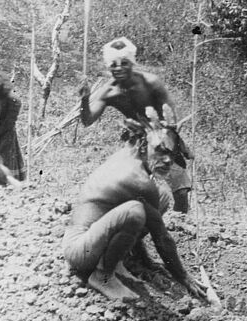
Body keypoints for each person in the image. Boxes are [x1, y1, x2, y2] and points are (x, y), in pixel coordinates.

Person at [63, 113, 206, 302]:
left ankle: (118, 259)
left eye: (171, 153)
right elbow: (161, 237)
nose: (168, 160)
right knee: (135, 211)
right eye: (160, 151)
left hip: (93, 238)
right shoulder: (138, 180)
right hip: (79, 250)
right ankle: (103, 276)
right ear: (143, 145)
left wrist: (146, 261)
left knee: (160, 198)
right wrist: (183, 277)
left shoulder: (129, 156)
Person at [79, 37, 193, 213]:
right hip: (137, 140)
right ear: (108, 67)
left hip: (162, 137)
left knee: (180, 189)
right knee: (128, 183)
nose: (119, 68)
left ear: (132, 63)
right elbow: (87, 120)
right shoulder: (109, 91)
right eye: (113, 65)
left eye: (124, 63)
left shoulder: (151, 82)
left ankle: (181, 225)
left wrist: (168, 141)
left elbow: (171, 115)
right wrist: (84, 99)